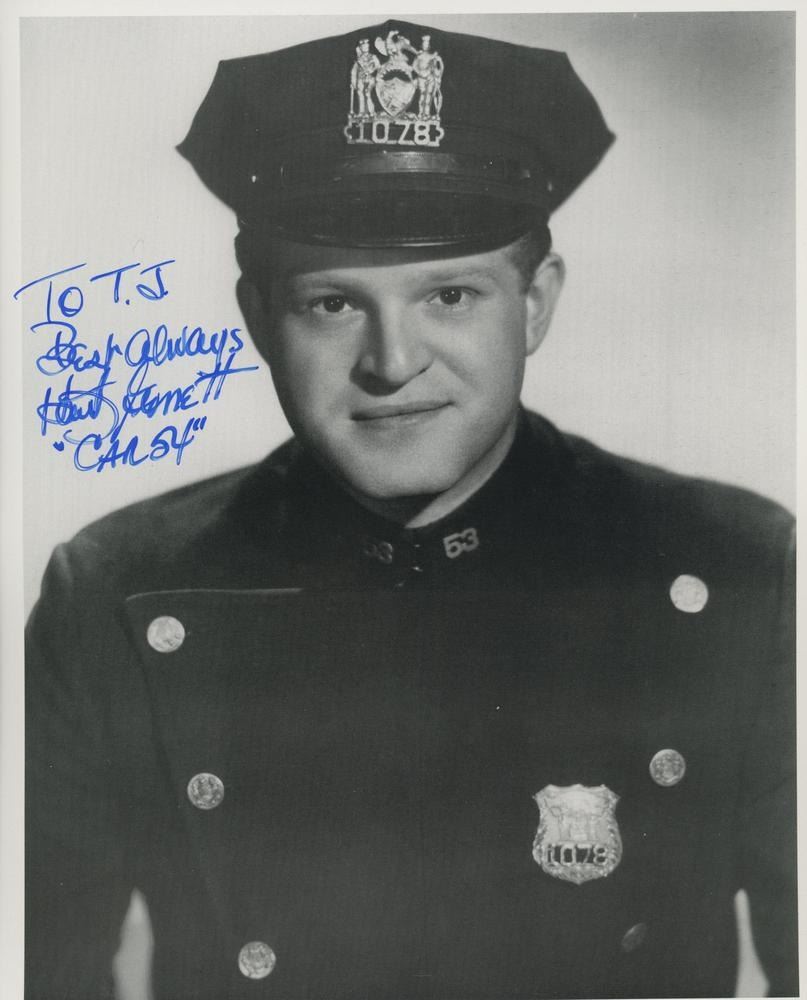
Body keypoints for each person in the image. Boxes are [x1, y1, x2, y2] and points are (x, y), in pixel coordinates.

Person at [24, 18, 796, 1000]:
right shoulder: (120, 591)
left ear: (535, 303)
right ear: (257, 318)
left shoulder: (738, 575)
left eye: (450, 296)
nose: (393, 363)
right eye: (333, 303)